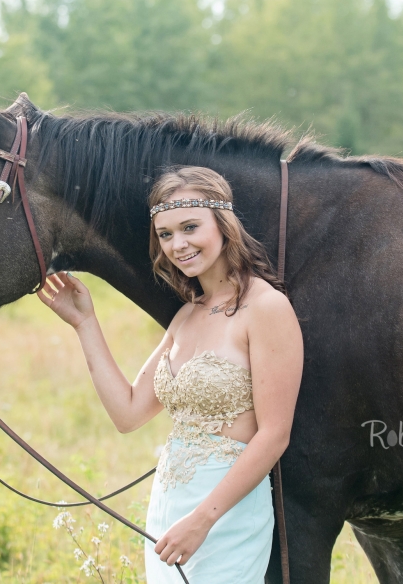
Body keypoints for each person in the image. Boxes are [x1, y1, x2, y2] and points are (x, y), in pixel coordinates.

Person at [37, 165, 303, 582]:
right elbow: (128, 414)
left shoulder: (266, 308)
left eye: (190, 227)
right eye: (165, 234)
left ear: (223, 223)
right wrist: (85, 323)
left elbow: (274, 435)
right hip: (167, 508)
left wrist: (202, 521)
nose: (178, 244)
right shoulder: (185, 316)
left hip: (224, 514)